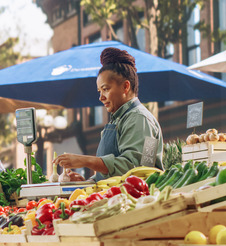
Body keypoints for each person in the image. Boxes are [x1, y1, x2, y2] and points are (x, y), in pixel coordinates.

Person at [53, 47, 162, 181]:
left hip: (133, 200)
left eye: (105, 89)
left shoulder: (140, 119)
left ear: (125, 87)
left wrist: (86, 161)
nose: (101, 97)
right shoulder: (117, 120)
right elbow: (112, 175)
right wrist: (87, 182)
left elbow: (138, 169)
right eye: (99, 91)